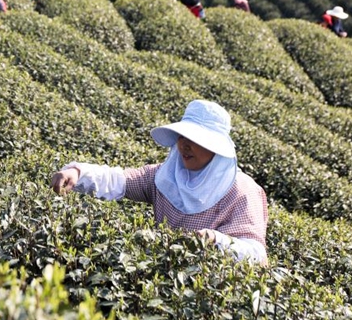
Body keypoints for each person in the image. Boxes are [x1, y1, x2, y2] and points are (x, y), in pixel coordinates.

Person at [50, 100, 269, 265]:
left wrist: (215, 240)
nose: (184, 146)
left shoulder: (242, 193)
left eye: (195, 140)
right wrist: (78, 172)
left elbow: (257, 255)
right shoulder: (167, 176)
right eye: (182, 137)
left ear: (216, 148)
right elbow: (121, 180)